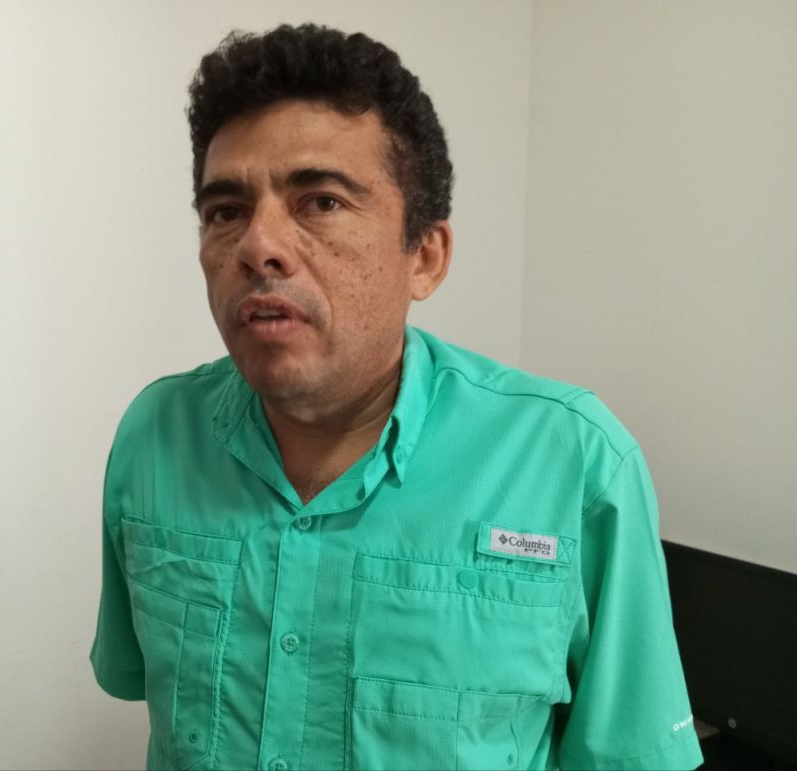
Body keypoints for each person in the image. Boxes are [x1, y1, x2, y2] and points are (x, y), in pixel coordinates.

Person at [91, 23, 703, 771]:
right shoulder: (156, 436)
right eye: (226, 211)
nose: (257, 245)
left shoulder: (573, 461)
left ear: (425, 256)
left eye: (320, 201)